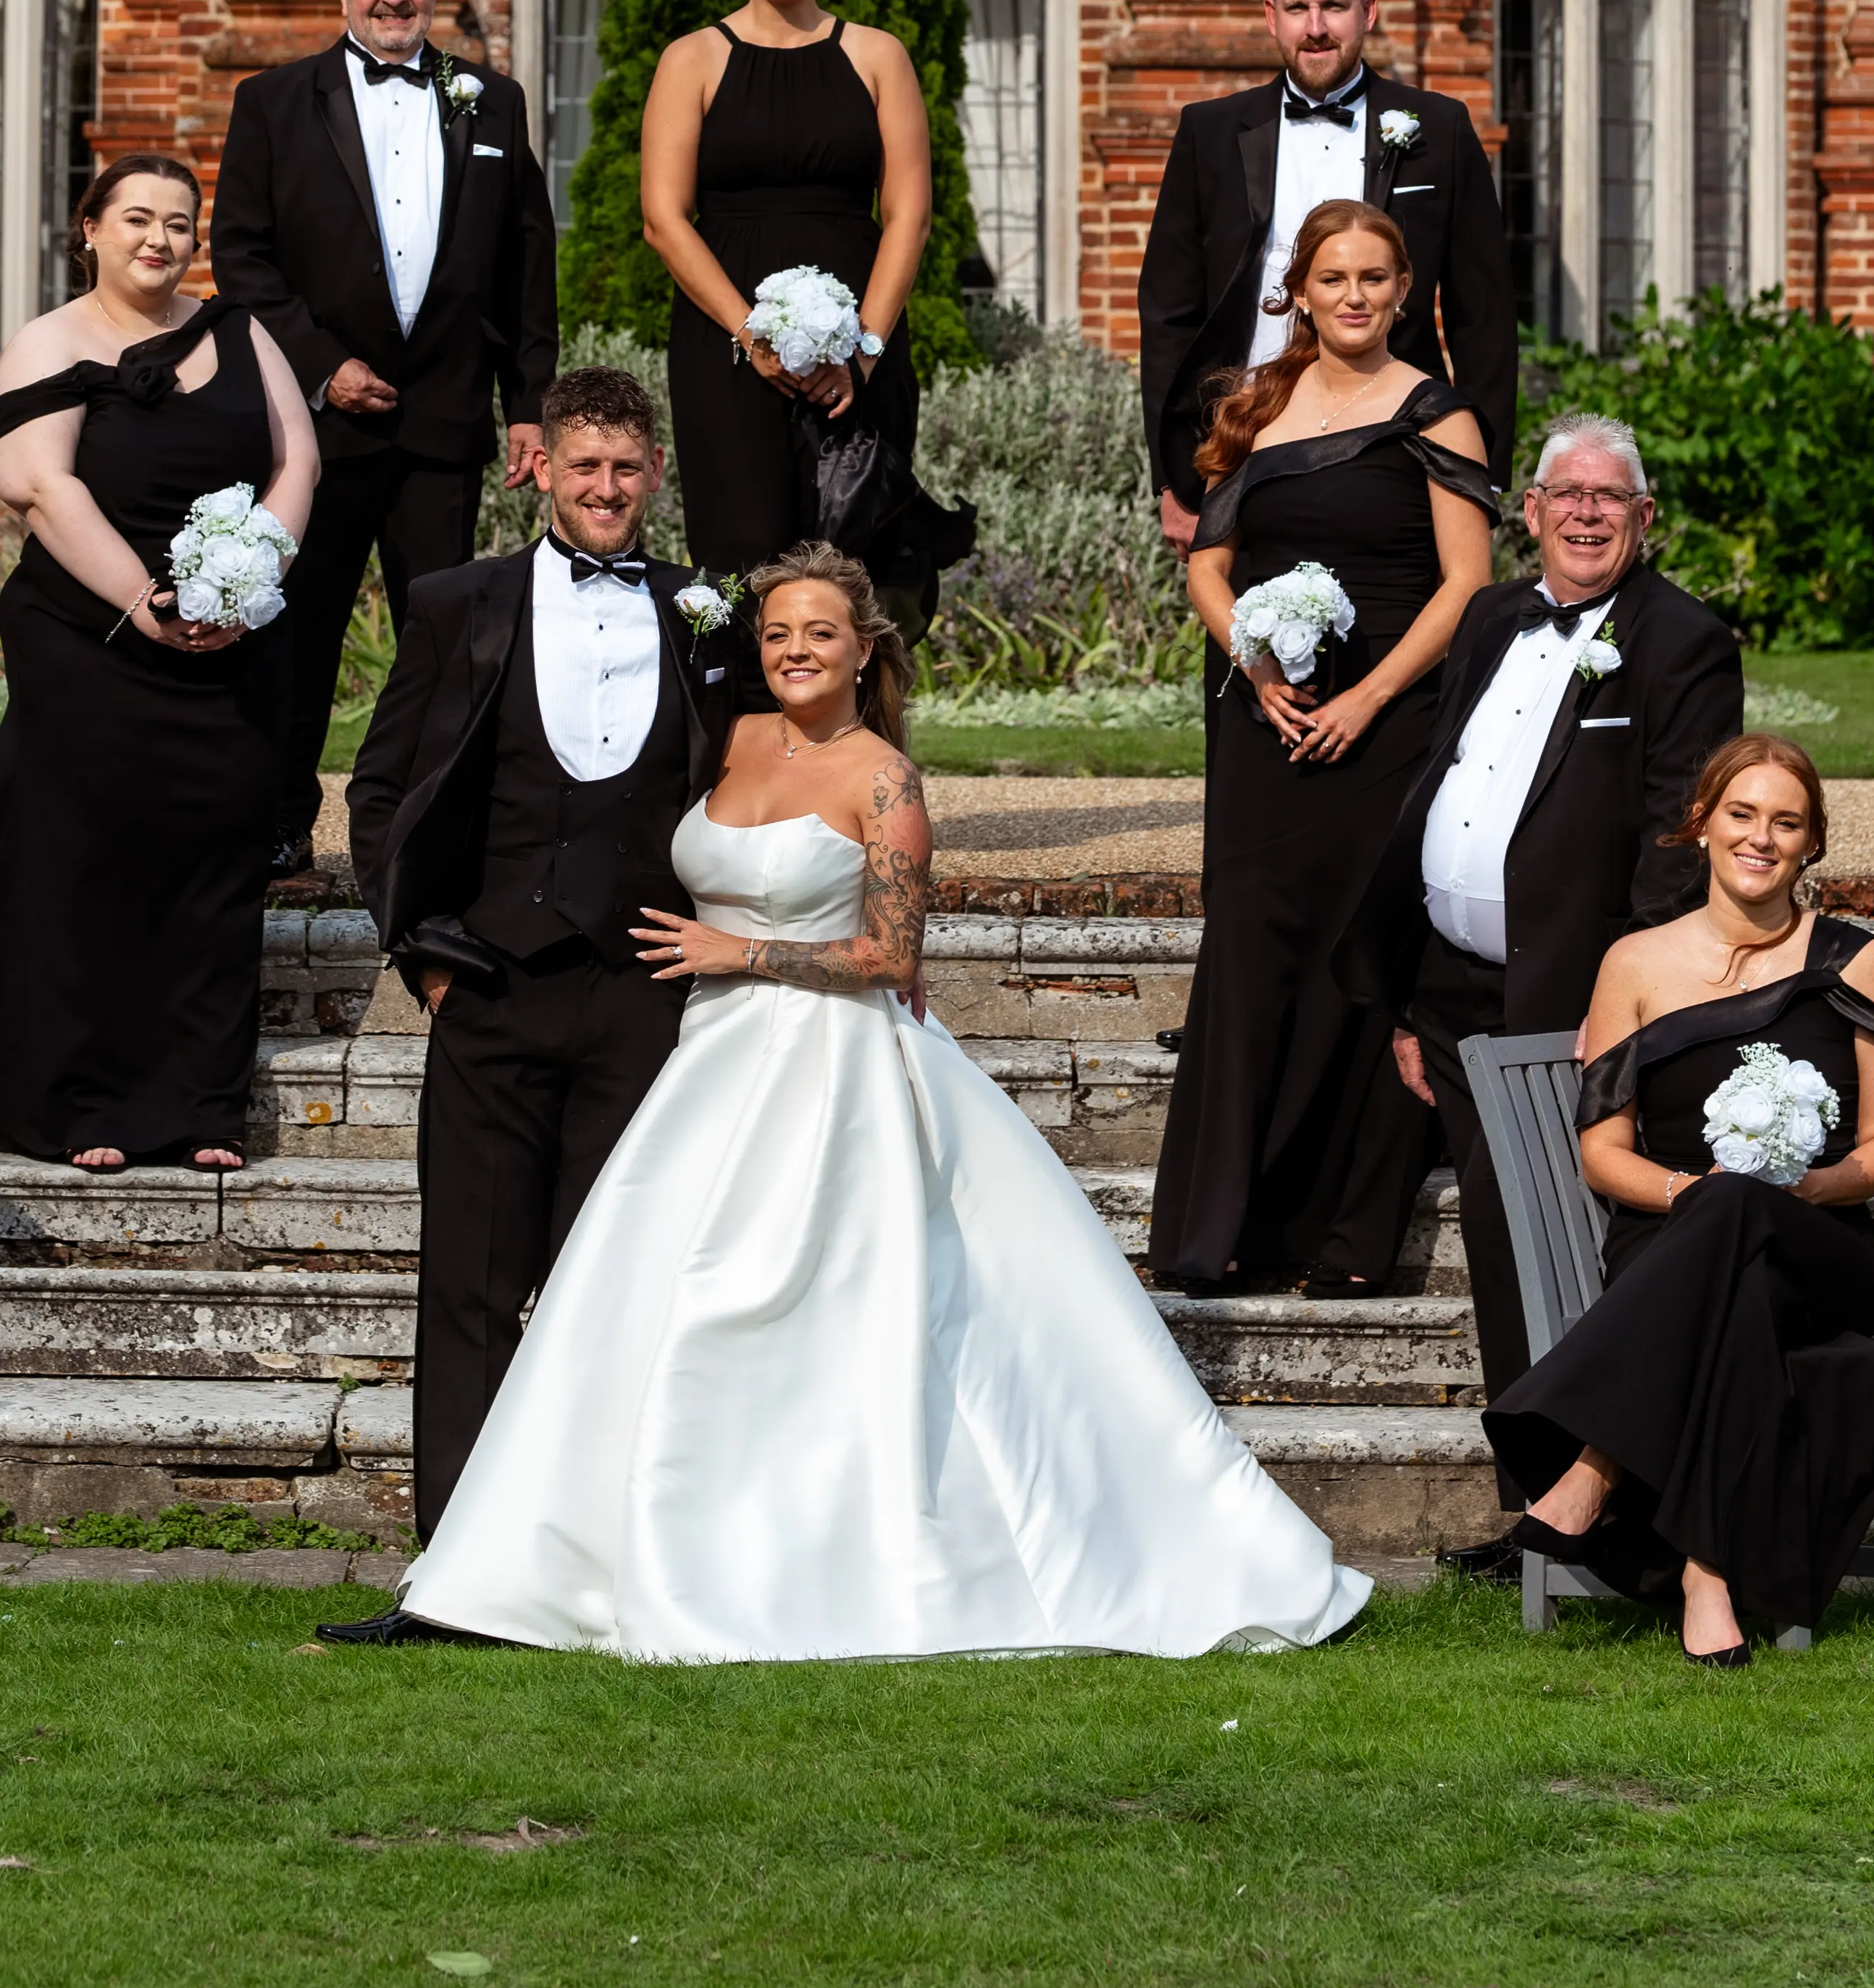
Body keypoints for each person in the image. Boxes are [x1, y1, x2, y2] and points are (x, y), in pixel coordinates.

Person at [386, 546, 1368, 1659]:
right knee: (645, 1294)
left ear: (864, 648)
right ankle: (588, 1554)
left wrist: (739, 949)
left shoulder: (887, 780)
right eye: (776, 633)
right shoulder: (728, 738)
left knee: (797, 1299)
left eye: (819, 632)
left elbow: (891, 955)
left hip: (829, 1068)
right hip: (707, 1060)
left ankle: (819, 1560)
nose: (794, 649)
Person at [325, 364, 761, 1615]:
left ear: (655, 473)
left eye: (625, 467)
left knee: (615, 1281)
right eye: (584, 466)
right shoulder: (456, 600)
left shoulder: (706, 611)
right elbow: (381, 789)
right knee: (468, 1281)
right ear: (541, 471)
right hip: (491, 983)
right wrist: (421, 952)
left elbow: (755, 779)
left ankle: (598, 1561)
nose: (605, 488)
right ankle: (457, 1569)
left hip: (645, 992)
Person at [0, 153, 319, 1174]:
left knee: (218, 862)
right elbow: (39, 485)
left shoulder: (241, 331)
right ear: (91, 229)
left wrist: (250, 579)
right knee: (87, 860)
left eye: (179, 222)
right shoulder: (51, 340)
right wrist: (147, 603)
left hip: (237, 637)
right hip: (91, 633)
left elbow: (298, 460)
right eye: (139, 218)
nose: (160, 238)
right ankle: (76, 1099)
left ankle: (203, 1105)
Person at [1336, 412, 1742, 1560]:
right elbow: (1445, 780)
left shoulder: (1684, 639)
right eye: (1567, 491)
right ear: (1531, 510)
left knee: (1576, 1241)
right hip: (1456, 993)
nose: (1586, 511)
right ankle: (1543, 1505)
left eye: (1610, 496)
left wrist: (1623, 1003)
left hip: (1574, 1002)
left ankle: (1619, 1508)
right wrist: (1414, 998)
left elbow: (1676, 839)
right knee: (1506, 1244)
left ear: (1644, 516)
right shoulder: (1490, 616)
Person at [1487, 735, 1874, 1664]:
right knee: (1732, 1250)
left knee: (1746, 1218)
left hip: (1820, 1243)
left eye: (1786, 822)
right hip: (1677, 1235)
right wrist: (1694, 1191)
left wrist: (1805, 1186)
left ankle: (1595, 1460)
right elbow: (1603, 1153)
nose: (1761, 837)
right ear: (1702, 823)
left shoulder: (1857, 960)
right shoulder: (1635, 962)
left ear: (1811, 843)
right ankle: (1706, 1575)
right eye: (1742, 813)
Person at [1147, 202, 1498, 1302]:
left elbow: (1468, 585)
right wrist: (1254, 667)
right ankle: (1222, 1223)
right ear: (1298, 289)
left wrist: (1370, 697)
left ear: (1403, 290)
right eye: (1333, 276)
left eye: (1374, 277)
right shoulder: (1258, 404)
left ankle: (1341, 1231)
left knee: (1359, 961)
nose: (1354, 295)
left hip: (1389, 724)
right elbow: (1209, 567)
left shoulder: (1440, 416)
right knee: (1252, 953)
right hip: (1265, 725)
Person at [211, 0, 559, 871]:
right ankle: (282, 820)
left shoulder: (493, 101)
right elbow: (241, 257)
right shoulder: (273, 101)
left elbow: (528, 263)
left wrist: (529, 403)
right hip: (313, 427)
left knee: (443, 636)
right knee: (298, 627)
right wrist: (322, 365)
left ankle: (430, 825)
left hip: (445, 415)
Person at [638, 0, 958, 588]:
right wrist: (752, 338)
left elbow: (908, 216)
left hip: (857, 358)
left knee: (851, 564)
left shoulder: (879, 56)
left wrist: (863, 355)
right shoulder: (691, 59)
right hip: (727, 349)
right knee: (740, 562)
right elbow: (663, 218)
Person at [1135, 0, 1515, 548]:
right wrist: (1173, 480)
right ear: (1272, 16)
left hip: (1399, 443)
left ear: (1367, 11)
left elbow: (1484, 313)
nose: (1316, 27)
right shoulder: (1209, 132)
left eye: (1334, 6)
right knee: (1244, 610)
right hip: (1243, 437)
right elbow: (1168, 313)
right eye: (1298, 8)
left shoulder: (1440, 128)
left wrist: (1481, 476)